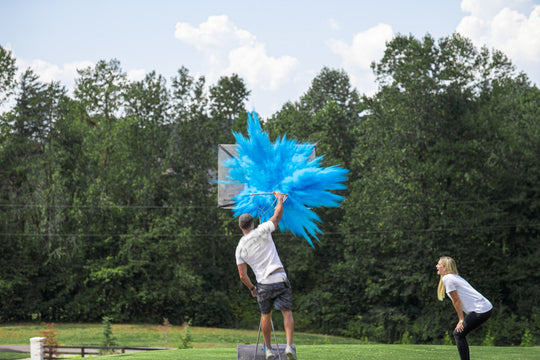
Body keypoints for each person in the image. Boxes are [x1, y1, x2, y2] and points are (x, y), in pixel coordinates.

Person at [236, 191, 297, 360]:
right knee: (287, 313)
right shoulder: (262, 230)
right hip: (279, 278)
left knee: (266, 316)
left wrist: (252, 288)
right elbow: (277, 216)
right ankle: (289, 346)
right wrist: (279, 199)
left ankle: (268, 349)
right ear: (252, 223)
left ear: (241, 227)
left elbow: (242, 275)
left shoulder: (239, 248)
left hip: (263, 285)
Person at [436, 256, 493, 360]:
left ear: (445, 267)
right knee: (459, 334)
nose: (437, 266)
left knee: (458, 334)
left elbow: (456, 300)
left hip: (481, 310)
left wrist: (461, 319)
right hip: (484, 308)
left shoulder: (448, 278)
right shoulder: (453, 277)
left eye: (439, 264)